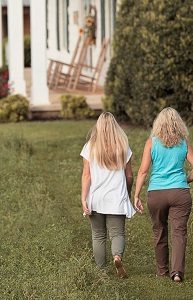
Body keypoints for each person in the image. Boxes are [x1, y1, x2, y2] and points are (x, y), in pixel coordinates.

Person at [132, 107, 193, 282]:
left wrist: (136, 194)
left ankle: (162, 271)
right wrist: (185, 181)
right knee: (179, 232)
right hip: (180, 193)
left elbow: (142, 171)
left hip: (156, 193)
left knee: (159, 231)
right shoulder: (183, 143)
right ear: (177, 123)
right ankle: (177, 273)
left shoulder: (151, 143)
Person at [81, 111, 136, 277]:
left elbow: (86, 175)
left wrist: (84, 198)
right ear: (115, 126)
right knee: (117, 233)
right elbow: (129, 175)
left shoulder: (90, 147)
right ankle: (117, 256)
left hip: (96, 198)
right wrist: (127, 191)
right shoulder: (123, 146)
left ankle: (101, 270)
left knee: (98, 235)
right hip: (116, 199)